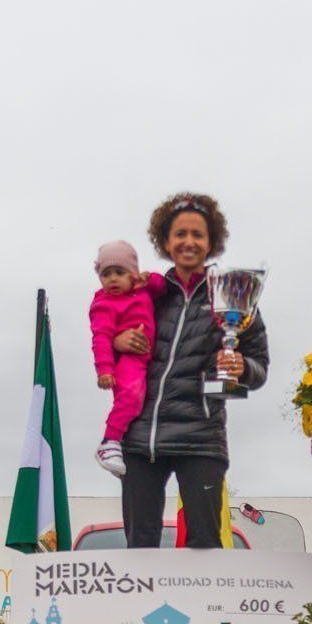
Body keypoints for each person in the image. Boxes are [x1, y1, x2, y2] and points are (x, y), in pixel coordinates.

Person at [114, 193, 269, 548]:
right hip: (140, 437)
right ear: (165, 241)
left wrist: (242, 366)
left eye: (198, 235)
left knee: (205, 547)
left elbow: (259, 366)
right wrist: (118, 340)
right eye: (180, 234)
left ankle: (206, 608)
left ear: (211, 242)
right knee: (140, 546)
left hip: (201, 439)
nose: (189, 242)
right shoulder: (145, 292)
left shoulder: (235, 292)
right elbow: (107, 340)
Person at [88, 240, 161, 477]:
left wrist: (149, 279)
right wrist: (105, 370)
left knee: (137, 400)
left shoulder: (142, 291)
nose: (112, 279)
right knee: (130, 395)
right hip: (127, 360)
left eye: (120, 272)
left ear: (133, 275)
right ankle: (110, 441)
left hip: (146, 359)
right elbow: (101, 338)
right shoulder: (104, 304)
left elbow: (163, 286)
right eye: (106, 274)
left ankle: (115, 446)